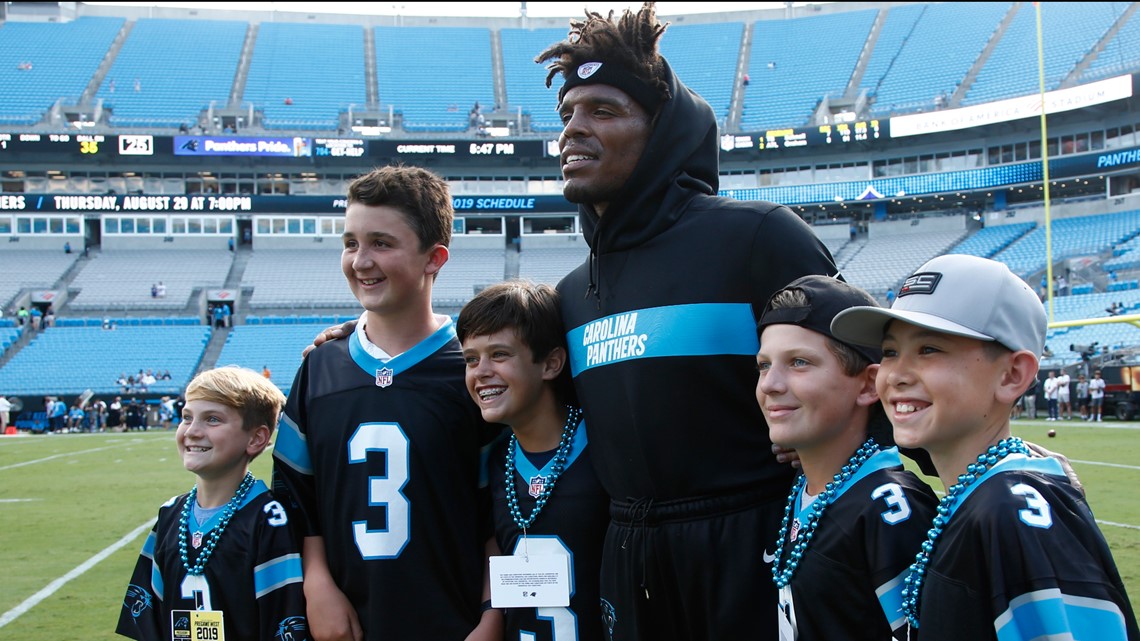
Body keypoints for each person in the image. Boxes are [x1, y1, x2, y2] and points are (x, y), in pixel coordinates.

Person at [532, 5, 840, 638]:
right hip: (624, 554)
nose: (572, 131)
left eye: (603, 111)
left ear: (663, 131)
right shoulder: (571, 292)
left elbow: (863, 378)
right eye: (567, 114)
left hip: (753, 542)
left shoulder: (758, 238)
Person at [831, 253, 1139, 640]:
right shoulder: (981, 496)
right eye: (890, 351)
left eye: (929, 349)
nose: (895, 375)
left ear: (1012, 375)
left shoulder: (1008, 510)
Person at [271, 165, 504, 641]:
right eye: (351, 242)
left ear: (434, 258)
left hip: (453, 620)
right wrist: (316, 585)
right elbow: (297, 497)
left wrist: (492, 615)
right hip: (345, 622)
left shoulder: (473, 372)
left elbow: (498, 512)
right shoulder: (320, 368)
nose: (360, 260)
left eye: (382, 243)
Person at [755, 275, 938, 641]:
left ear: (869, 385)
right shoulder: (804, 489)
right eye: (763, 365)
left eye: (799, 362)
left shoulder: (890, 509)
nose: (770, 384)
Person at [457, 279, 609, 641]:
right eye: (471, 359)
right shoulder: (496, 458)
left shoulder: (605, 447)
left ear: (551, 363)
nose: (480, 371)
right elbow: (494, 541)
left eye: (499, 354)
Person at [115, 366, 309, 641]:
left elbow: (284, 625)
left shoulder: (270, 520)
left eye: (212, 419)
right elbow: (148, 620)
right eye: (186, 417)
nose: (192, 431)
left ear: (256, 439)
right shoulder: (170, 514)